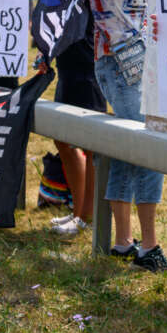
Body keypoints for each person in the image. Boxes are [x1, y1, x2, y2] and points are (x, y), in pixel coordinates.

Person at [88, 0, 167, 273]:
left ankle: (123, 242)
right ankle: (149, 245)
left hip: (144, 64)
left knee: (126, 150)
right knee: (150, 148)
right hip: (117, 64)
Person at [47, 17, 105, 237]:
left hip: (89, 62)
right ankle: (78, 209)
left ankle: (86, 217)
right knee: (62, 139)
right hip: (66, 62)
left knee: (90, 144)